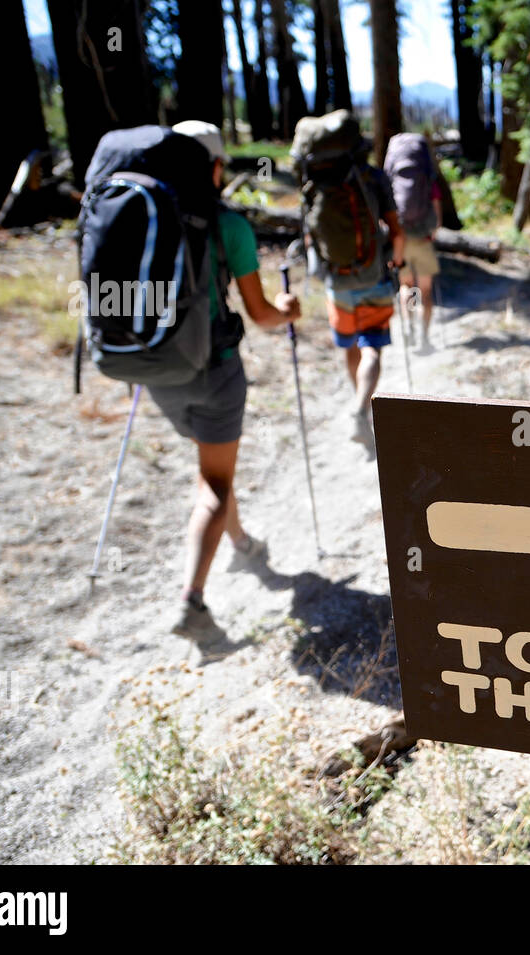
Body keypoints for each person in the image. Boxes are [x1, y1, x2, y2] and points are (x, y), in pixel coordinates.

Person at [145, 121, 301, 638]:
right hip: (214, 370)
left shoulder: (144, 216)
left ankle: (242, 544)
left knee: (212, 465)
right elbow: (259, 314)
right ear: (214, 167)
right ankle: (192, 602)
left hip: (157, 372)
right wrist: (288, 311)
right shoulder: (228, 226)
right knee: (214, 482)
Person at [319, 138, 406, 452]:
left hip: (337, 282)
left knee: (350, 346)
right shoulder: (373, 177)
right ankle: (359, 409)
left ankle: (361, 410)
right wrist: (397, 261)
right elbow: (395, 230)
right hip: (374, 277)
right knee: (372, 348)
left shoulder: (318, 179)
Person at [396, 177, 442, 355]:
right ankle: (424, 337)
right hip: (423, 240)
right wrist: (433, 231)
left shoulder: (393, 176)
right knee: (425, 290)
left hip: (402, 241)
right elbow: (436, 212)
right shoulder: (427, 176)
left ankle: (409, 323)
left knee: (407, 286)